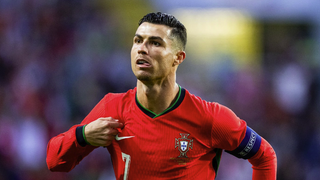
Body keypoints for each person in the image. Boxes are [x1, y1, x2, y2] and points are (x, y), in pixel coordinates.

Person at [46, 12, 277, 180]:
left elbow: (264, 156)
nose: (142, 49)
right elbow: (54, 162)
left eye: (155, 43)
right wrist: (83, 135)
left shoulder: (210, 117)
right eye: (138, 41)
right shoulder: (113, 108)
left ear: (178, 57)